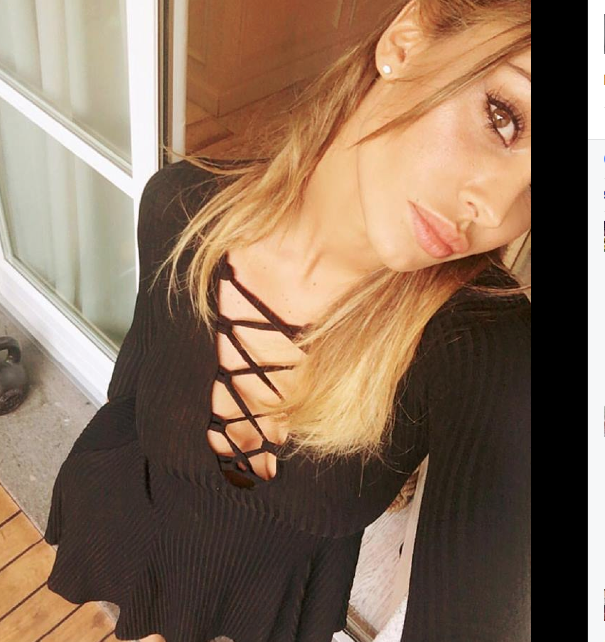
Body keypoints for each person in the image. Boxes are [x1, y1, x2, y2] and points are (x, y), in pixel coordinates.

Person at [42, 2, 531, 641]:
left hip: (277, 610)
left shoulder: (485, 346)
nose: (494, 209)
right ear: (406, 42)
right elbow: (130, 398)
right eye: (503, 117)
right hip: (146, 548)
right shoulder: (181, 211)